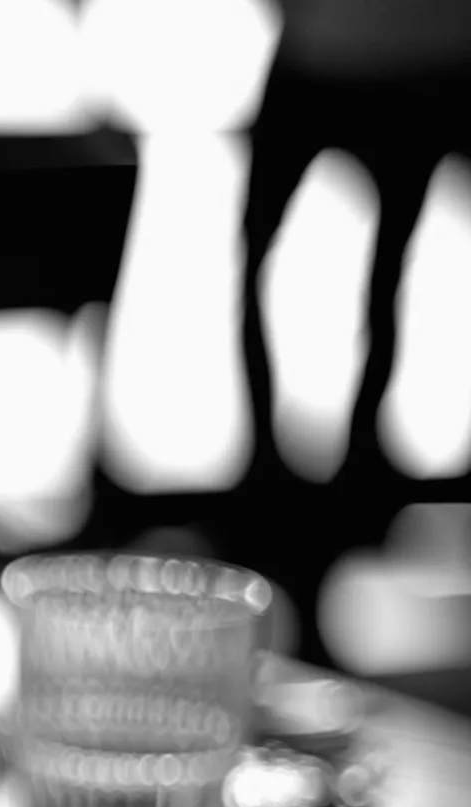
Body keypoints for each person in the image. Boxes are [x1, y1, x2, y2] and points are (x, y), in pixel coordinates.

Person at [233, 0, 471, 665]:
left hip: (378, 56)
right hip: (399, 54)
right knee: (380, 275)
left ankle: (325, 459)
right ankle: (322, 457)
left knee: (353, 272)